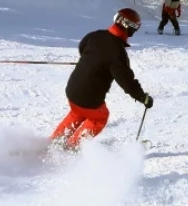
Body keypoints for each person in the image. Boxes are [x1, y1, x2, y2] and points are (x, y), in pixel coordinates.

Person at [50, 8, 153, 150]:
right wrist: (143, 97)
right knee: (100, 117)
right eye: (134, 28)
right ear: (129, 28)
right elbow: (127, 82)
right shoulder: (117, 53)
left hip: (72, 90)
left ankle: (55, 143)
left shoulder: (95, 35)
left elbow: (82, 47)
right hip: (90, 99)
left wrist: (93, 61)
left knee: (77, 113)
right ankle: (73, 147)